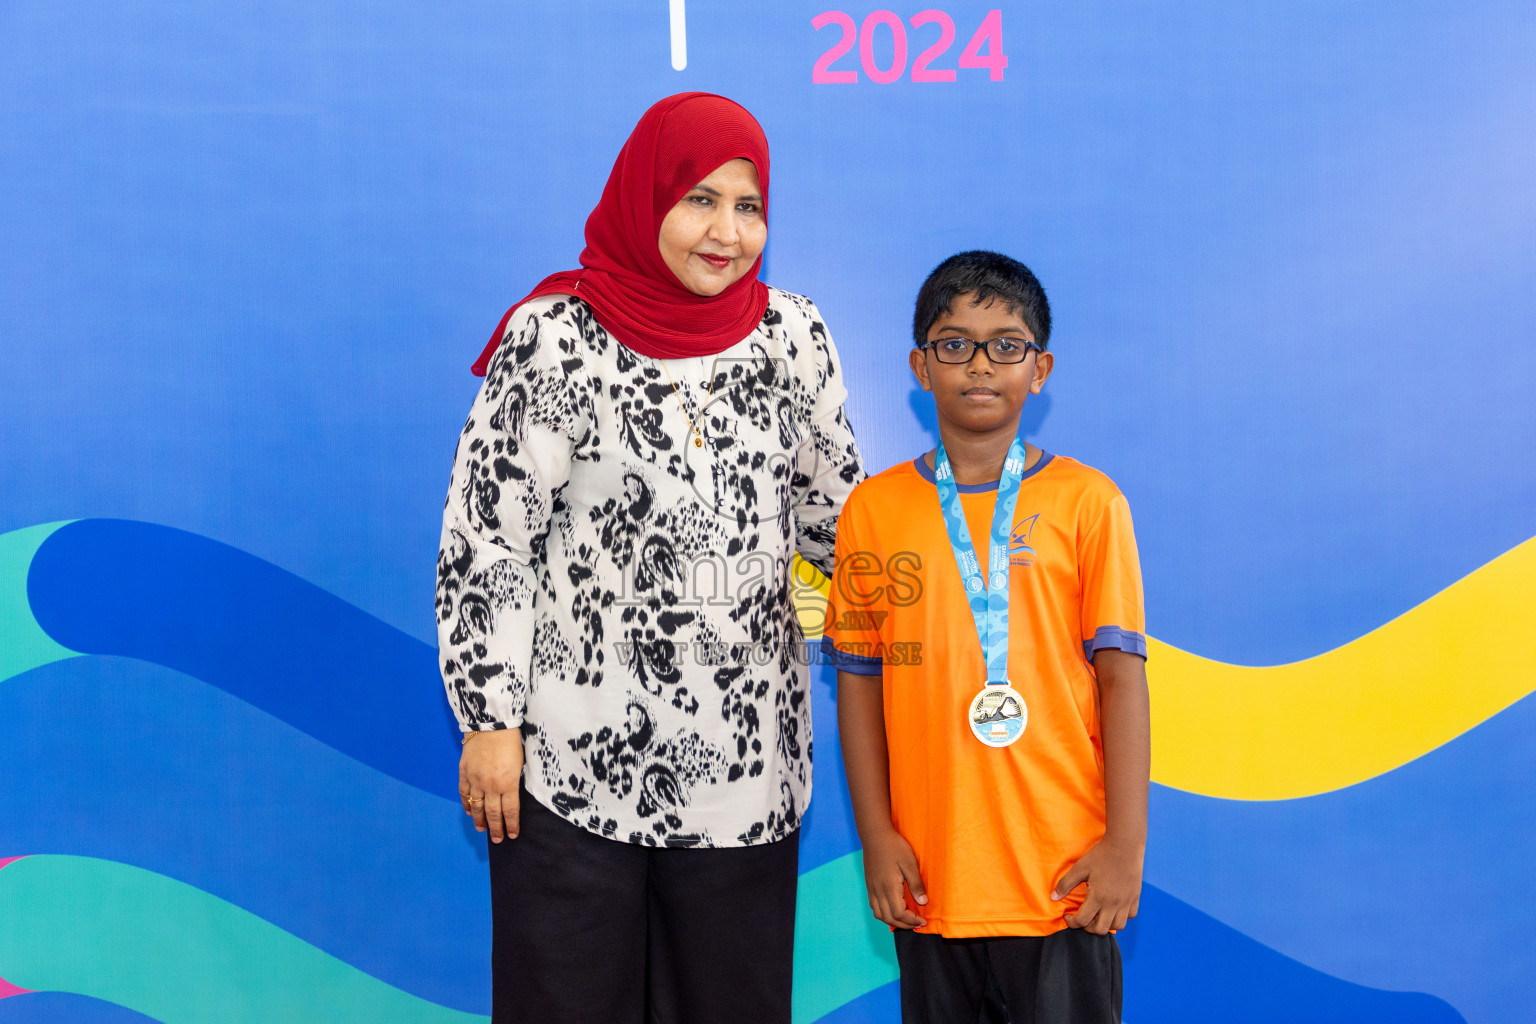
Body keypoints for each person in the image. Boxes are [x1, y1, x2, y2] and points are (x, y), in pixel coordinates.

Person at [435, 92, 864, 1024]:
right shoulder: (554, 339)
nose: (727, 231)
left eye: (749, 207)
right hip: (569, 769)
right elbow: (490, 539)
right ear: (646, 198)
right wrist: (489, 719)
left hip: (747, 772)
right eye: (700, 200)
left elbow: (836, 527)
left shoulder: (795, 338)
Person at [823, 251, 1149, 1023]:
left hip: (1061, 876)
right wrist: (877, 835)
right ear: (919, 366)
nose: (980, 363)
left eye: (1006, 344)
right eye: (954, 342)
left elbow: (1122, 681)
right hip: (934, 877)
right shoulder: (872, 510)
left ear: (1040, 370)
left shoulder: (1090, 502)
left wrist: (1123, 848)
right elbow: (858, 681)